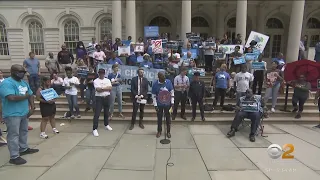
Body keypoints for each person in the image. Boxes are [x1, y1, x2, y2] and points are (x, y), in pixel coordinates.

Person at [0, 64, 39, 165]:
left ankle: (23, 148)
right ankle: (14, 156)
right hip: (12, 114)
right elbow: (11, 97)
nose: (22, 74)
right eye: (20, 72)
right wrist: (25, 96)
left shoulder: (24, 83)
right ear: (13, 72)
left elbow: (30, 94)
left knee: (24, 131)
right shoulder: (6, 83)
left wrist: (32, 107)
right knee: (13, 135)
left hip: (23, 112)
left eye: (23, 72)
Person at [152, 72, 174, 138]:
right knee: (159, 119)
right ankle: (159, 131)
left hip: (168, 104)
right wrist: (155, 105)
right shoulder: (155, 84)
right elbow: (153, 95)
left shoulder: (168, 82)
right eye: (162, 77)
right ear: (159, 77)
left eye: (164, 77)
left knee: (168, 119)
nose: (164, 78)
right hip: (159, 104)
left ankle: (168, 132)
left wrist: (172, 103)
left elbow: (172, 92)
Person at [92, 69, 113, 137]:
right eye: (100, 73)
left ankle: (106, 124)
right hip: (99, 98)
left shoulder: (107, 80)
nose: (101, 75)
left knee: (106, 112)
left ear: (104, 74)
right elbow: (98, 90)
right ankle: (94, 129)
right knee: (97, 113)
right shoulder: (96, 81)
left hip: (107, 97)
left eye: (103, 73)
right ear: (98, 73)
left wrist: (102, 88)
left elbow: (110, 88)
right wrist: (105, 88)